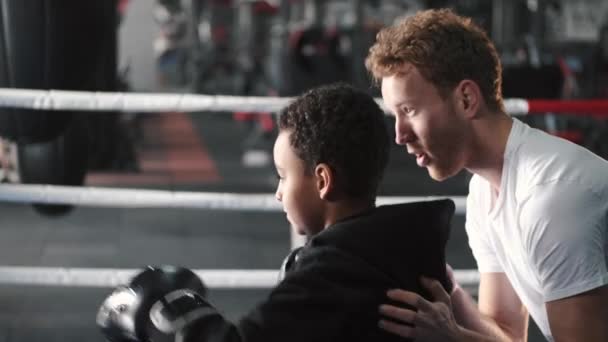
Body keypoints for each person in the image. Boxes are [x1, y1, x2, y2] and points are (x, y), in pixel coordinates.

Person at [96, 83, 455, 342]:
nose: (278, 192)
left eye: (284, 176)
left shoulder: (332, 275)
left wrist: (170, 317)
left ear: (322, 181)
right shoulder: (397, 250)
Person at [365, 8, 608, 342]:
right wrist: (445, 289)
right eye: (395, 115)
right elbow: (508, 334)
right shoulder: (484, 191)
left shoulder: (552, 197)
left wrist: (453, 338)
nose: (399, 135)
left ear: (466, 99)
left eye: (409, 111)